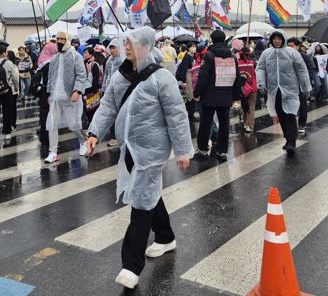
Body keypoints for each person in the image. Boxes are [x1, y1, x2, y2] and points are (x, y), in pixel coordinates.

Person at [86, 27, 193, 290]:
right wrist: (94, 133)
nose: (127, 47)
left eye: (131, 43)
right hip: (129, 149)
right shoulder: (121, 75)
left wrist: (182, 150)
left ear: (145, 46)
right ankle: (166, 236)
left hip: (153, 150)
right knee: (148, 192)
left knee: (142, 199)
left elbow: (176, 115)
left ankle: (131, 266)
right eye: (126, 43)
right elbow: (108, 105)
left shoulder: (162, 78)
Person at [256, 30, 311, 153]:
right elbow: (260, 68)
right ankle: (287, 138)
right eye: (274, 39)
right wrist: (261, 83)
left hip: (290, 89)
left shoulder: (292, 53)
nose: (276, 41)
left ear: (283, 39)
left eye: (279, 39)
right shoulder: (266, 53)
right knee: (280, 115)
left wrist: (306, 87)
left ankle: (291, 141)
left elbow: (302, 70)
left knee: (290, 115)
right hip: (274, 90)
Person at [193, 30, 240, 162]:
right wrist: (236, 96)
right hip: (226, 96)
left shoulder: (208, 55)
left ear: (212, 40)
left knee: (205, 124)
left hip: (209, 96)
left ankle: (202, 149)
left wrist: (197, 93)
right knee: (224, 125)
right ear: (224, 40)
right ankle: (222, 151)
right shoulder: (232, 56)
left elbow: (203, 77)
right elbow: (236, 77)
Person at [44, 32, 88, 164]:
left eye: (63, 39)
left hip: (71, 96)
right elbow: (51, 77)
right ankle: (53, 152)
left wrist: (77, 91)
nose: (60, 41)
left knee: (73, 124)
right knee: (52, 124)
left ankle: (83, 141)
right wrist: (49, 93)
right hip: (56, 97)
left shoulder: (76, 56)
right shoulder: (54, 58)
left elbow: (81, 75)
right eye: (58, 39)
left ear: (68, 40)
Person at [32, 42, 57, 146]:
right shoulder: (51, 63)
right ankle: (48, 139)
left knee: (43, 114)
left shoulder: (41, 60)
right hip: (49, 92)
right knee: (49, 115)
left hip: (42, 91)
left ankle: (43, 136)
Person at [237, 46, 259, 133]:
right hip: (252, 87)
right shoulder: (252, 62)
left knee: (244, 106)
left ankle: (245, 123)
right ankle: (250, 126)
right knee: (251, 107)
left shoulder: (237, 63)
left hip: (241, 88)